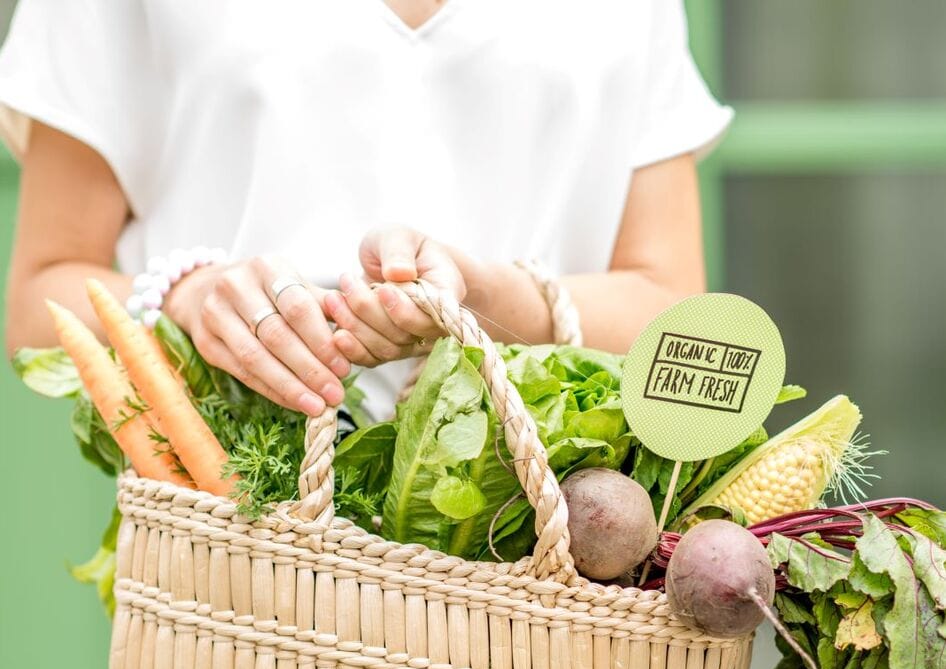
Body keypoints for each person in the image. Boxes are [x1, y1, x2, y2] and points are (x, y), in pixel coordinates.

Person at [0, 0, 730, 423]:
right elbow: (39, 306)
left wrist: (493, 302)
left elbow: (679, 326)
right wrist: (188, 296)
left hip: (543, 583)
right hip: (227, 567)